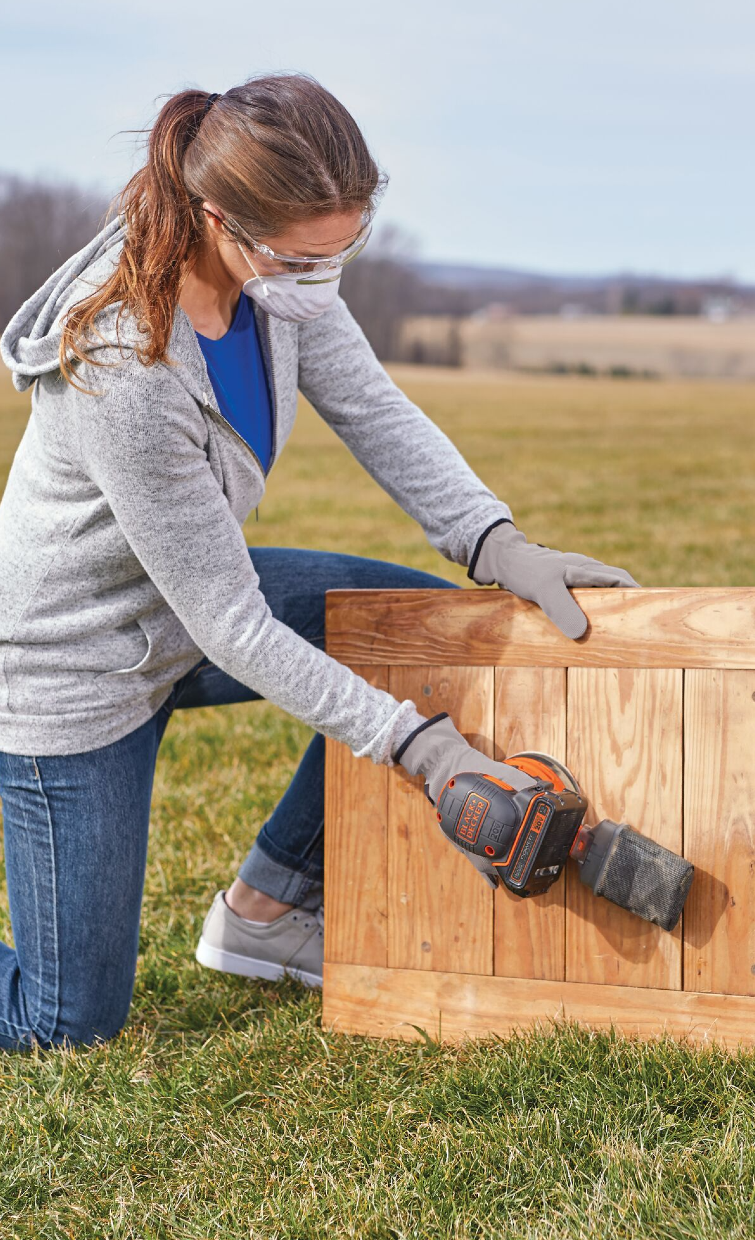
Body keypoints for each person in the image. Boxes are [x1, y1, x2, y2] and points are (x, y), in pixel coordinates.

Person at [0, 74, 638, 1051]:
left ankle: (269, 912)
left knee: (416, 624)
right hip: (73, 667)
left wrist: (493, 542)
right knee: (65, 1022)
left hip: (186, 608)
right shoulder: (127, 366)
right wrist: (422, 751)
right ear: (219, 218)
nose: (320, 282)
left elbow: (377, 411)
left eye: (342, 252)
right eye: (302, 258)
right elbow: (235, 627)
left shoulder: (276, 286)